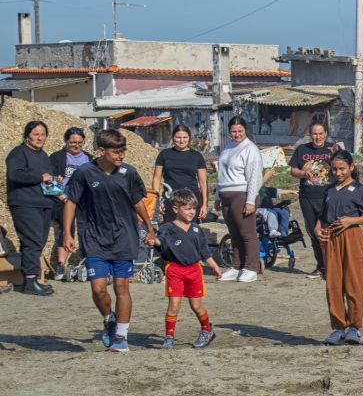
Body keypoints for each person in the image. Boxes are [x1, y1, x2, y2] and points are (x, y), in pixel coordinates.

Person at [60, 129, 155, 352]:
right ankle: (108, 318)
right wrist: (67, 233)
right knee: (99, 289)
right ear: (101, 151)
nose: (121, 155)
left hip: (124, 236)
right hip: (94, 238)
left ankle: (121, 336)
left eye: (123, 151)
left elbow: (138, 201)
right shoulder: (85, 172)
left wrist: (149, 227)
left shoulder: (129, 173)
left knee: (122, 286)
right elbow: (71, 202)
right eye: (116, 152)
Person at [317, 150, 363, 346]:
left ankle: (354, 327)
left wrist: (351, 221)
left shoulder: (359, 189)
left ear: (351, 167)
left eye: (342, 168)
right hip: (331, 238)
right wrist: (318, 227)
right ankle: (338, 327)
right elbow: (323, 215)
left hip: (351, 237)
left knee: (354, 282)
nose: (338, 172)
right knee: (333, 284)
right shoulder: (329, 190)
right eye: (334, 169)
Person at [156, 188, 222, 349]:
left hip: (194, 270)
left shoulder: (196, 229)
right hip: (175, 270)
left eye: (193, 208)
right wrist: (153, 241)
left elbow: (204, 251)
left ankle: (207, 330)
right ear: (176, 209)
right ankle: (169, 337)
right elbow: (161, 243)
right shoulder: (167, 229)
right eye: (187, 208)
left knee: (196, 306)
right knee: (174, 306)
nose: (191, 212)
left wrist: (214, 266)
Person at [5, 121, 58, 295]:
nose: (40, 138)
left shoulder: (43, 155)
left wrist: (55, 181)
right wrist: (39, 176)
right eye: (36, 134)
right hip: (25, 203)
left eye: (43, 134)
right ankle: (30, 282)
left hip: (43, 203)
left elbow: (45, 178)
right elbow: (15, 174)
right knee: (32, 240)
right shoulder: (18, 153)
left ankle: (29, 279)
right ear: (27, 135)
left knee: (38, 242)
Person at [288, 120, 338, 279]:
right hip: (307, 197)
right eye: (315, 134)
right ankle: (321, 266)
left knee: (329, 231)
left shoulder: (333, 149)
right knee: (313, 232)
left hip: (329, 197)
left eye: (321, 134)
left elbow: (345, 167)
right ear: (310, 135)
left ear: (326, 134)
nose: (318, 137)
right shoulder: (302, 150)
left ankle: (334, 266)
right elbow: (293, 170)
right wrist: (303, 174)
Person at [216, 116, 263, 283]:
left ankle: (251, 267)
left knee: (247, 233)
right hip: (225, 194)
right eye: (233, 131)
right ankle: (236, 265)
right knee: (234, 233)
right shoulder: (227, 147)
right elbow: (221, 172)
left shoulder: (250, 149)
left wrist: (250, 200)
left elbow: (255, 177)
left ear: (245, 130)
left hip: (242, 194)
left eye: (240, 131)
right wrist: (217, 195)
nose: (236, 134)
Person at [50, 127, 92, 280]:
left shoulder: (88, 158)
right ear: (66, 141)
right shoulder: (56, 158)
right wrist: (62, 196)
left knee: (89, 226)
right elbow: (48, 182)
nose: (76, 146)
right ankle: (61, 263)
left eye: (80, 143)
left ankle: (90, 260)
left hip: (83, 198)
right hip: (63, 197)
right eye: (73, 142)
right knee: (66, 226)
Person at [152, 124, 209, 223]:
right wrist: (156, 201)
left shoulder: (196, 156)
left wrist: (205, 204)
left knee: (190, 231)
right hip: (171, 199)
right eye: (178, 137)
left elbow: (203, 182)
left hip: (191, 200)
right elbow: (156, 178)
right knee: (171, 230)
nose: (181, 140)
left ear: (189, 138)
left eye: (185, 137)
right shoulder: (164, 154)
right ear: (173, 138)